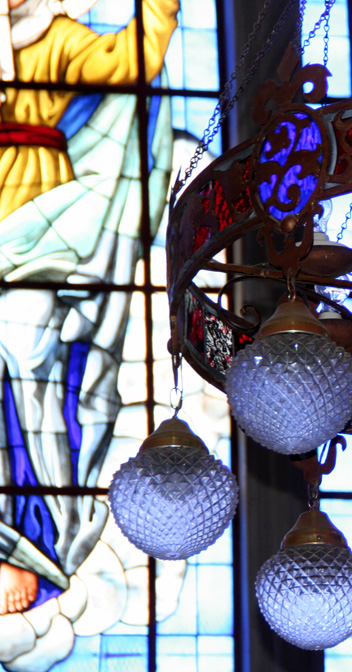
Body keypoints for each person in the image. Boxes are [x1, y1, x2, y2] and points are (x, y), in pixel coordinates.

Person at [0, 0, 178, 626]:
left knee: (28, 363)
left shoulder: (57, 37)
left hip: (39, 206)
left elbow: (127, 60)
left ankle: (27, 535)